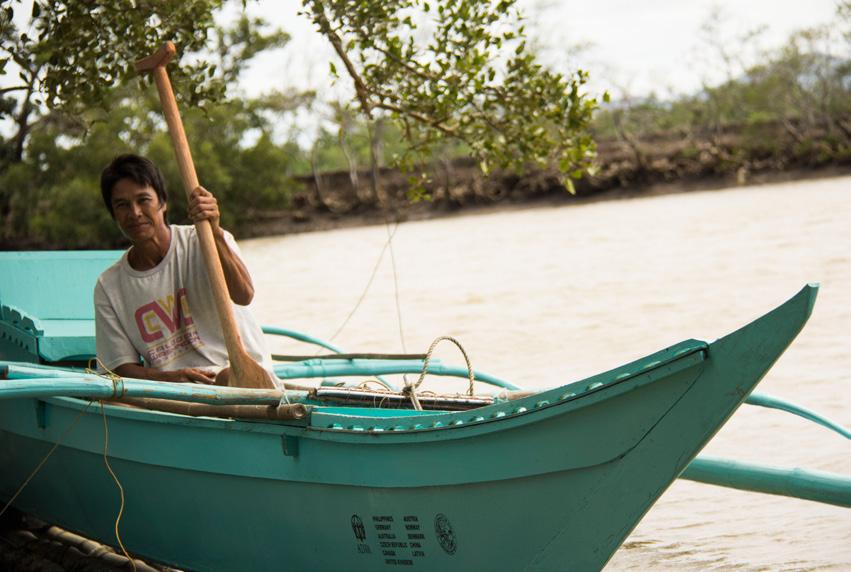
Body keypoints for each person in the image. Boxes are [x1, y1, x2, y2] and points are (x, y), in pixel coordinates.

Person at [93, 153, 275, 386]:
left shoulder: (204, 242)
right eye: (122, 205)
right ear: (113, 214)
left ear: (163, 202)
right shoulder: (109, 286)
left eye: (144, 200)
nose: (135, 213)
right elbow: (118, 368)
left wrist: (215, 232)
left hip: (247, 381)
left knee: (226, 377)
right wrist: (171, 378)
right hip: (178, 397)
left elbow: (244, 295)